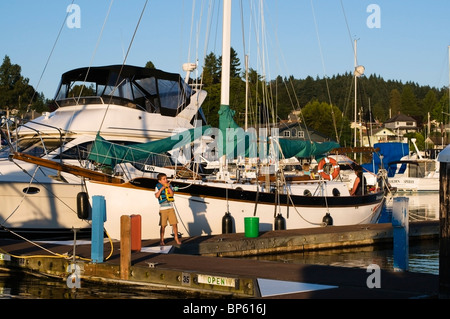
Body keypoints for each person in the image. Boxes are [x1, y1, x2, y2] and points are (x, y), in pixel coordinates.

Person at [155, 173, 181, 245]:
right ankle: (162, 240)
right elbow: (157, 196)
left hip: (170, 208)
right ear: (160, 181)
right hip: (163, 209)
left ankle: (176, 238)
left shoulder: (170, 185)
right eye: (164, 179)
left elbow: (172, 194)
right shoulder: (157, 186)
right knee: (163, 225)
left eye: (166, 178)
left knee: (174, 224)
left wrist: (168, 187)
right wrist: (162, 188)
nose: (166, 180)